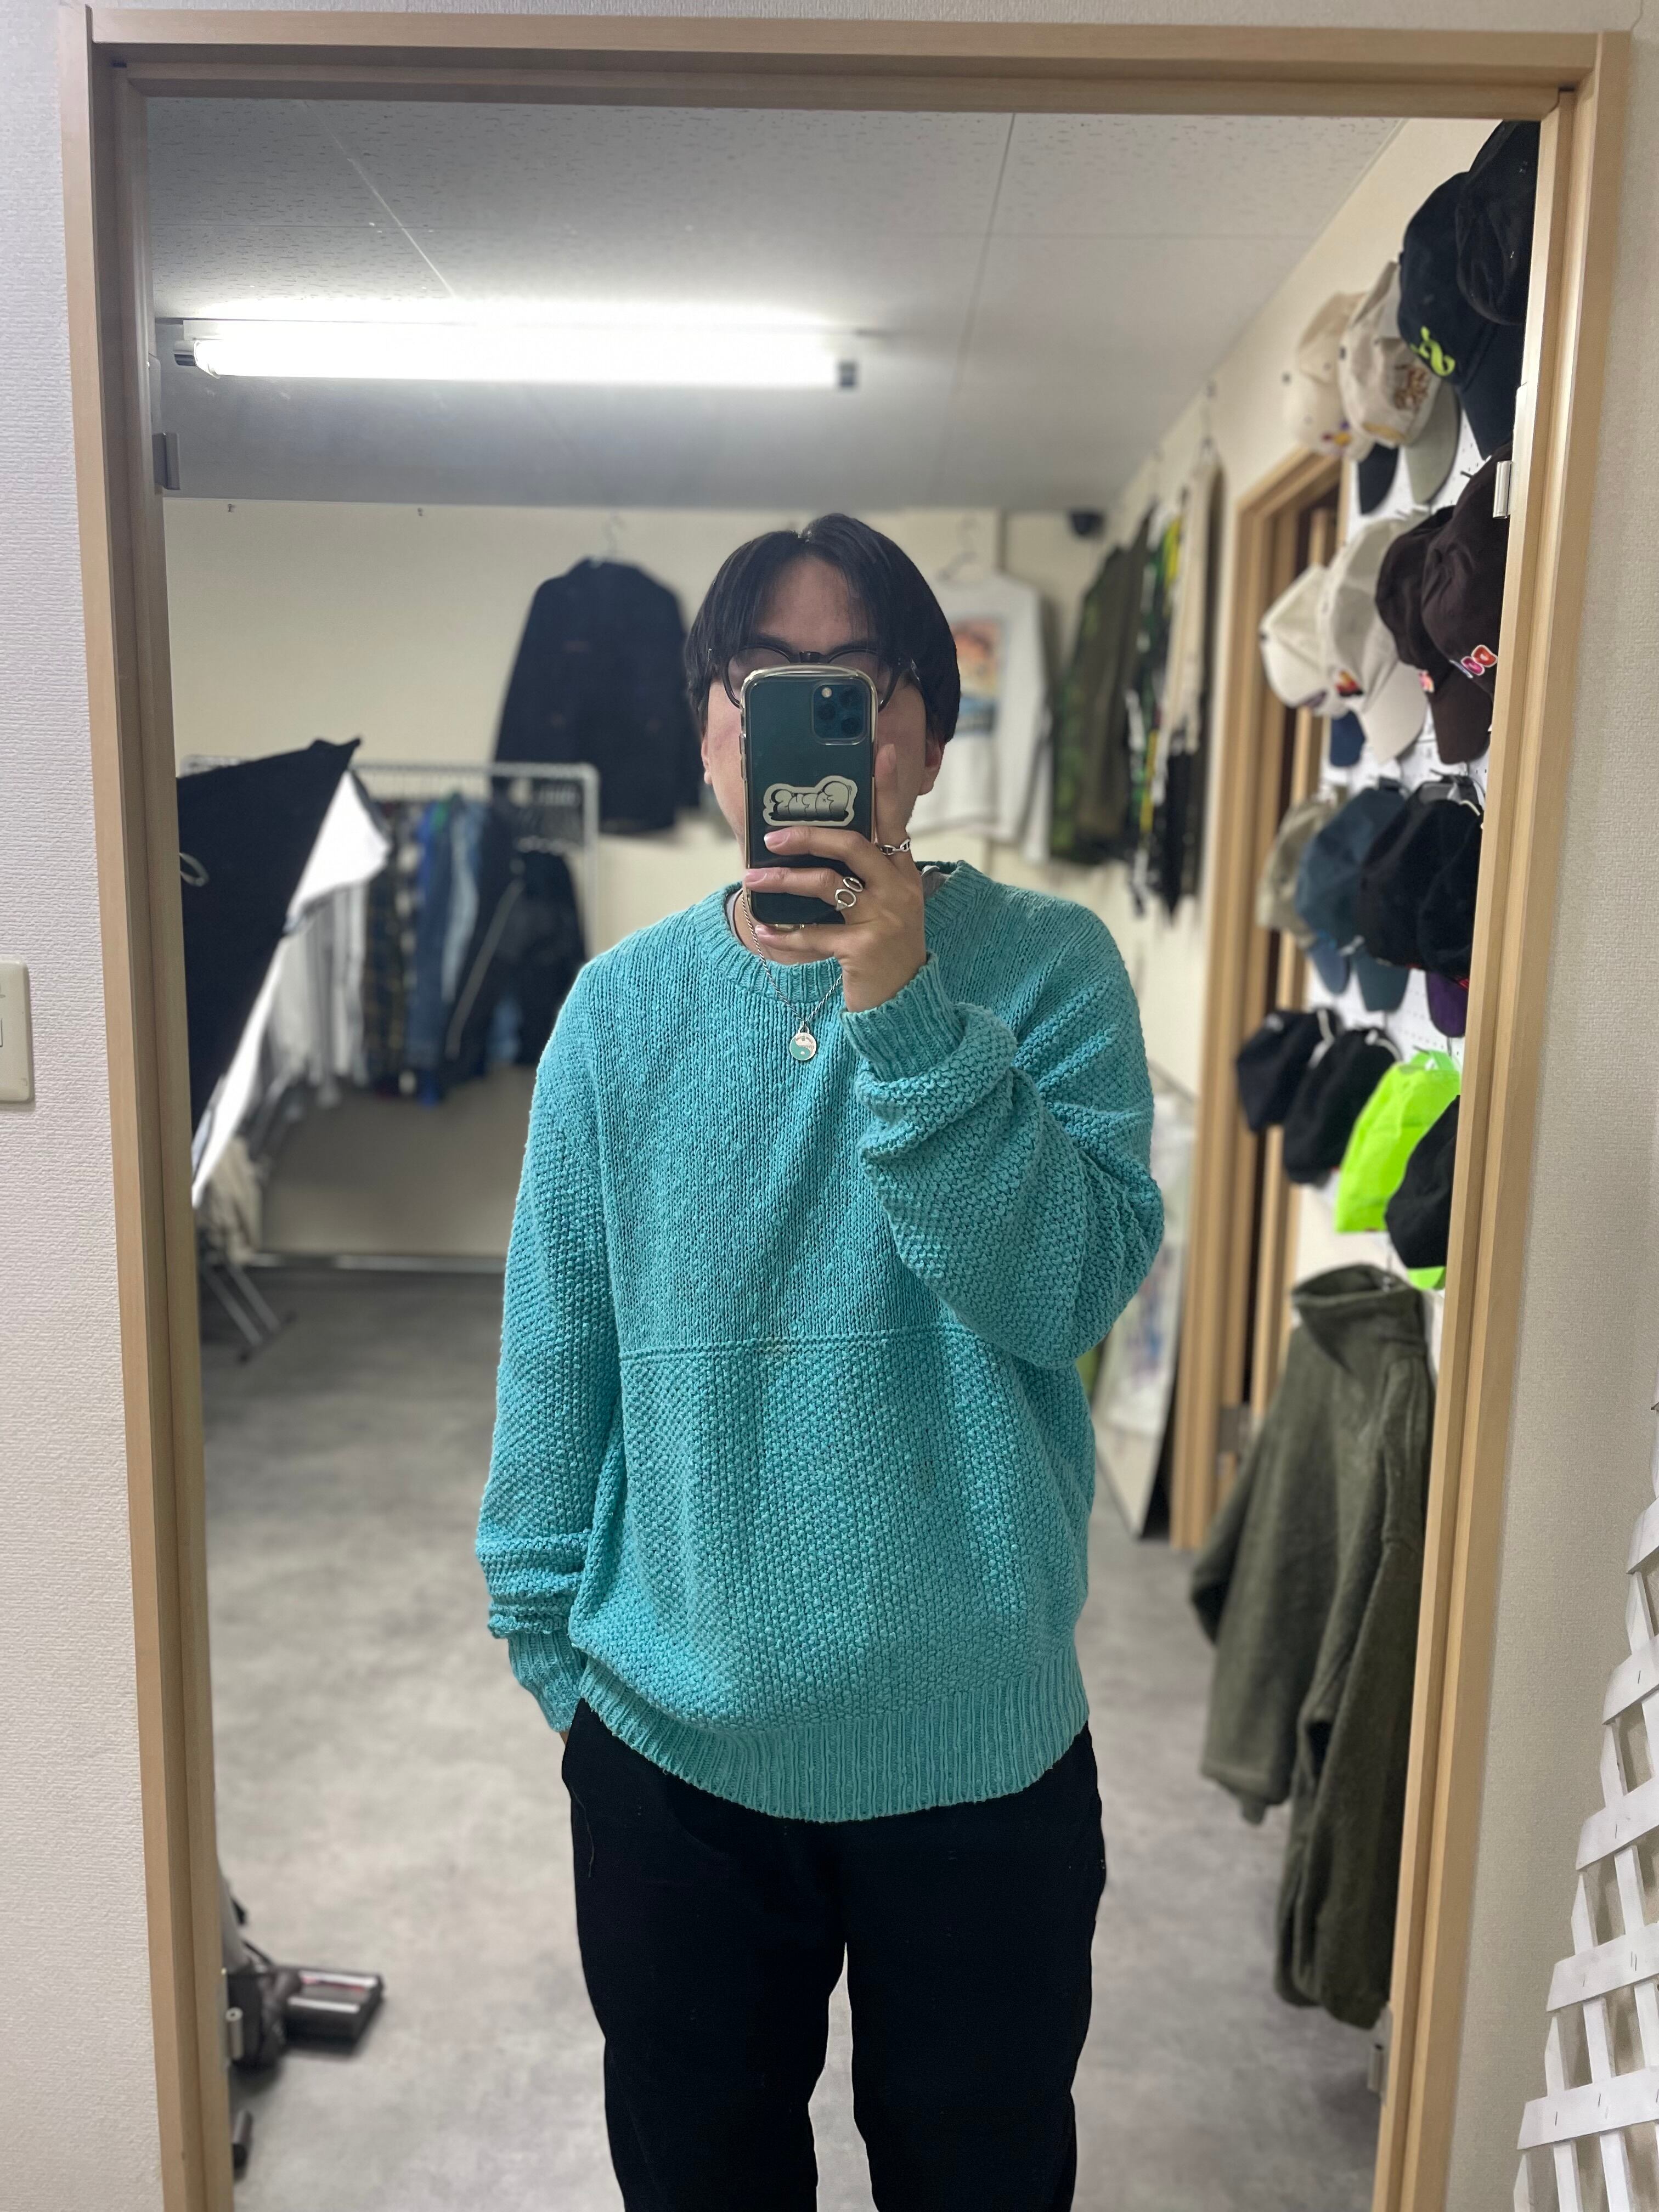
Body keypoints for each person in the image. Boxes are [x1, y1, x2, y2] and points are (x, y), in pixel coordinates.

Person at [477, 514, 1163, 2211]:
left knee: (982, 2179)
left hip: (983, 1752)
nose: (797, 723)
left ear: (922, 729)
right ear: (713, 731)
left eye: (848, 686)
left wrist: (904, 1001)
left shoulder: (1053, 973)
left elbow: (1064, 1295)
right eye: (757, 684)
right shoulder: (617, 1012)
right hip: (674, 1759)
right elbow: (560, 1358)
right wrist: (559, 1662)